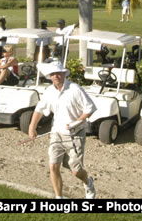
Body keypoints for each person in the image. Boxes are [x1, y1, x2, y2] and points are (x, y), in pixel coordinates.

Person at [28, 61, 97, 199]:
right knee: (53, 166)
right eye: (53, 74)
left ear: (64, 74)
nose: (56, 76)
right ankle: (58, 198)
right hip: (56, 134)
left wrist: (76, 122)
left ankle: (88, 182)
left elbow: (90, 108)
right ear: (50, 77)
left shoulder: (75, 89)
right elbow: (40, 109)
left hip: (75, 134)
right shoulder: (49, 91)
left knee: (76, 171)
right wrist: (32, 127)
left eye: (58, 73)